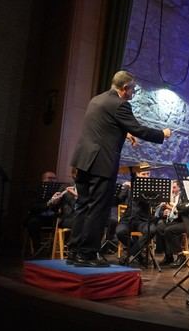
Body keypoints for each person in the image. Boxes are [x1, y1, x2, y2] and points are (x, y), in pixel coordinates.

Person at [68, 70, 172, 267]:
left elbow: (102, 127)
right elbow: (138, 129)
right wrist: (162, 134)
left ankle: (74, 252)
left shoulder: (96, 100)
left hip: (82, 161)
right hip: (101, 164)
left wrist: (124, 134)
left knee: (82, 206)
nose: (133, 94)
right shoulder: (121, 105)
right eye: (133, 90)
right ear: (125, 89)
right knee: (97, 209)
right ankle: (87, 254)